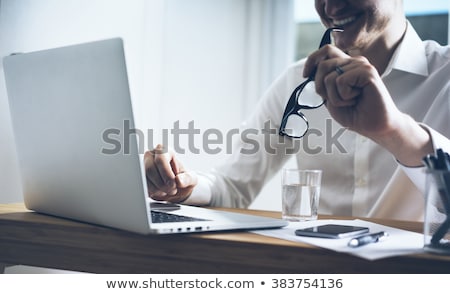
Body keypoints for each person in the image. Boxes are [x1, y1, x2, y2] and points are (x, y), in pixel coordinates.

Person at [144, 0, 450, 221]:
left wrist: (394, 130)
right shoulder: (296, 82)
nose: (331, 8)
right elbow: (233, 187)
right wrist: (182, 186)